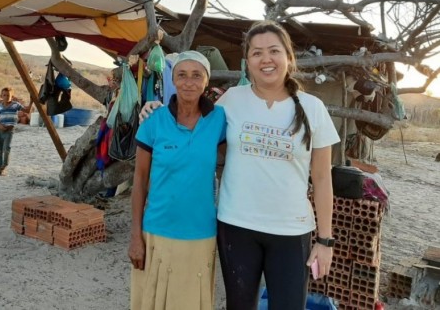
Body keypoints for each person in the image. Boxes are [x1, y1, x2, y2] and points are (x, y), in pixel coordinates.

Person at [141, 21, 339, 310]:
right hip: (236, 226)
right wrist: (157, 110)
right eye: (257, 53)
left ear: (288, 57)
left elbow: (322, 179)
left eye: (274, 50)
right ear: (248, 62)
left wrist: (325, 240)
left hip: (291, 231)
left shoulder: (313, 108)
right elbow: (193, 118)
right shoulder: (232, 100)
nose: (266, 59)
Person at [128, 51, 227, 310]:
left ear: (207, 82)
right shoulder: (154, 121)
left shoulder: (219, 120)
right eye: (182, 75)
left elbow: (237, 159)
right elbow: (139, 181)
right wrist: (135, 237)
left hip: (201, 232)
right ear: (173, 79)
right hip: (156, 230)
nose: (189, 82)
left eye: (197, 76)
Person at [0, 87, 24, 176]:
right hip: (0, 130)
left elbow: (27, 110)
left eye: (8, 95)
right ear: (1, 96)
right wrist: (0, 125)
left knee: (6, 149)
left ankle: (4, 165)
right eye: (4, 95)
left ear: (12, 96)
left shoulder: (15, 105)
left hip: (9, 131)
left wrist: (31, 101)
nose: (6, 97)